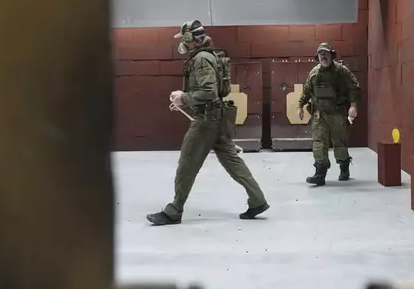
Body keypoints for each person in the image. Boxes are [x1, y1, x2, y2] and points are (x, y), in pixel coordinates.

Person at [146, 20, 270, 225]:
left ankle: (174, 210)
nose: (181, 44)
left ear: (189, 39)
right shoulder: (210, 56)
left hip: (206, 121)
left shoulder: (201, 59)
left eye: (183, 39)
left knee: (187, 163)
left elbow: (208, 92)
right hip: (218, 118)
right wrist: (183, 101)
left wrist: (183, 97)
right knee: (232, 161)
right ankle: (258, 200)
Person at [297, 42, 361, 186]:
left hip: (337, 112)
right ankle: (320, 173)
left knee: (339, 142)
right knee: (319, 142)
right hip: (319, 114)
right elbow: (307, 90)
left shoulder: (342, 71)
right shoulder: (314, 72)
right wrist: (300, 106)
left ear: (332, 54)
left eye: (325, 53)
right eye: (320, 54)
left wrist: (353, 106)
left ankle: (344, 166)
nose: (323, 56)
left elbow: (354, 89)